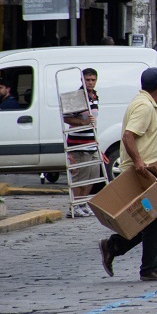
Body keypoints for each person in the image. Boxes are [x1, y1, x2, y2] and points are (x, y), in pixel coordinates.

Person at [98, 67, 157, 282]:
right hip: (140, 177)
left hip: (148, 173)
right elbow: (129, 136)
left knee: (148, 219)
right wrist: (140, 162)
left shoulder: (148, 105)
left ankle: (114, 246)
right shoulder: (144, 107)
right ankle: (148, 268)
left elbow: (147, 137)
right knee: (154, 219)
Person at [63, 68, 101, 218]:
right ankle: (74, 206)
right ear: (82, 80)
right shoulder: (77, 97)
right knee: (80, 177)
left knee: (93, 176)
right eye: (87, 80)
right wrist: (82, 122)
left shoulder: (95, 95)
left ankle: (83, 203)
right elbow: (66, 118)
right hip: (78, 143)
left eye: (93, 80)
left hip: (91, 141)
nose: (90, 82)